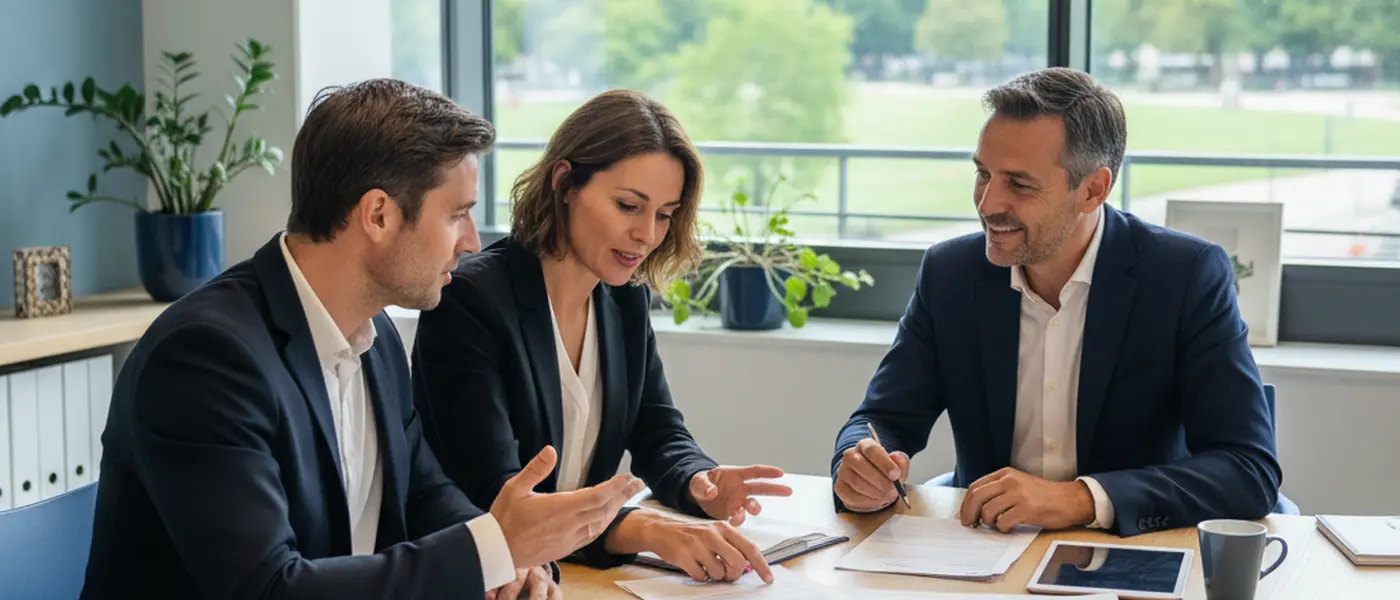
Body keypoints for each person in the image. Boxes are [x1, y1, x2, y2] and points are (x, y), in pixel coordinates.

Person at [80, 78, 646, 600]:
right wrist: (492, 548)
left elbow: (422, 495)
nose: (473, 242)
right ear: (377, 215)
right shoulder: (206, 358)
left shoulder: (374, 336)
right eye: (457, 215)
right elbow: (269, 589)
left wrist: (512, 560)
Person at [830, 67, 1283, 537]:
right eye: (983, 173)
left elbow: (1247, 469)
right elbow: (881, 419)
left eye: (1019, 184)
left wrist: (1080, 498)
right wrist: (860, 464)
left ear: (1093, 189)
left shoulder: (1184, 276)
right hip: (985, 556)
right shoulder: (951, 274)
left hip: (1134, 552)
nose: (987, 203)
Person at [411, 89, 792, 584]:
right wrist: (646, 530)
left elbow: (658, 430)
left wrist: (699, 481)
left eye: (664, 214)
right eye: (629, 205)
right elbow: (495, 498)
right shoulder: (470, 302)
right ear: (565, 183)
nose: (647, 235)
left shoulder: (624, 299)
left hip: (571, 573)